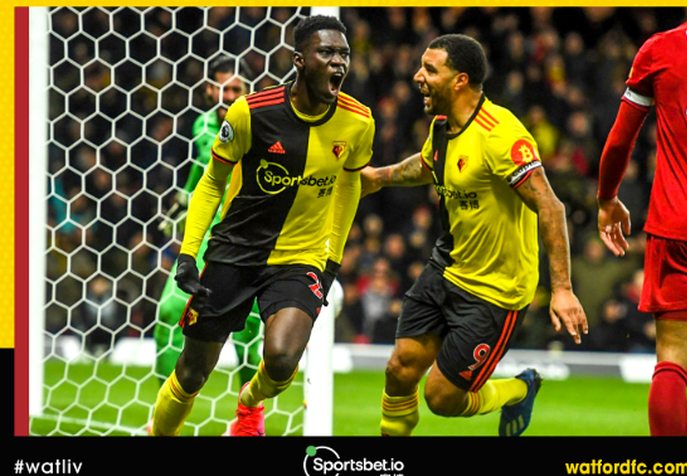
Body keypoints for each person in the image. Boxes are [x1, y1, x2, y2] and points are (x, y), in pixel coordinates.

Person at [150, 15, 375, 436]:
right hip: (235, 251)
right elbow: (211, 183)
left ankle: (248, 406)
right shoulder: (250, 113)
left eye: (343, 54)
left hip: (300, 257)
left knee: (282, 358)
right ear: (299, 60)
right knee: (193, 372)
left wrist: (331, 261)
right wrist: (186, 253)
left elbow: (349, 190)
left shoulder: (358, 122)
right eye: (326, 52)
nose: (338, 63)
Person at [361, 34, 587, 437]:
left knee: (442, 398)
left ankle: (519, 389)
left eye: (430, 70)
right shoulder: (443, 127)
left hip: (494, 291)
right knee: (399, 369)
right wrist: (380, 176)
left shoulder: (502, 135)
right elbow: (430, 163)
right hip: (447, 268)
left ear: (461, 80)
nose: (418, 77)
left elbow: (551, 206)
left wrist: (563, 288)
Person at [151, 55, 262, 435]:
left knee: (249, 325)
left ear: (248, 93)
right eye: (222, 88)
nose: (227, 96)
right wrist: (179, 203)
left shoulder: (257, 124)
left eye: (235, 90)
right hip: (205, 231)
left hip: (243, 234)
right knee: (168, 310)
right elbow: (202, 176)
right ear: (210, 89)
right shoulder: (202, 125)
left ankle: (248, 418)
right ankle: (162, 413)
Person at [596, 21, 687, 436]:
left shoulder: (662, 50)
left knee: (673, 356)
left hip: (679, 224)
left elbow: (620, 140)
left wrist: (606, 198)